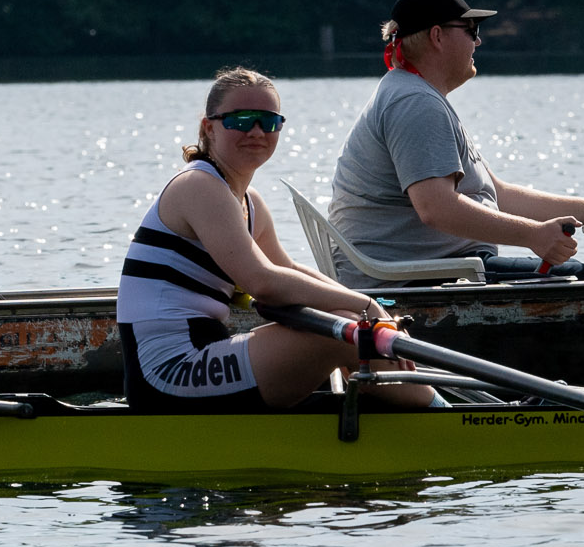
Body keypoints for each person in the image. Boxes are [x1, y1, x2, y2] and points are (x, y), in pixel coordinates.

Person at [118, 68, 432, 412]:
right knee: (349, 333)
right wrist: (366, 307)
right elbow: (262, 281)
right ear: (209, 127)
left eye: (268, 122)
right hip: (169, 373)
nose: (256, 131)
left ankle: (416, 410)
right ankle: (446, 419)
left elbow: (287, 269)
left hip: (203, 355)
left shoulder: (249, 202)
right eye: (240, 120)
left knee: (355, 325)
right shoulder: (199, 186)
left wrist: (364, 307)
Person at [325, 0, 584, 289]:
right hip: (410, 284)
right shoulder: (415, 103)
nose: (478, 42)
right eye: (471, 30)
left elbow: (497, 194)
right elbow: (436, 208)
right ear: (437, 36)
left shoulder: (418, 96)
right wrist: (533, 235)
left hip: (436, 270)